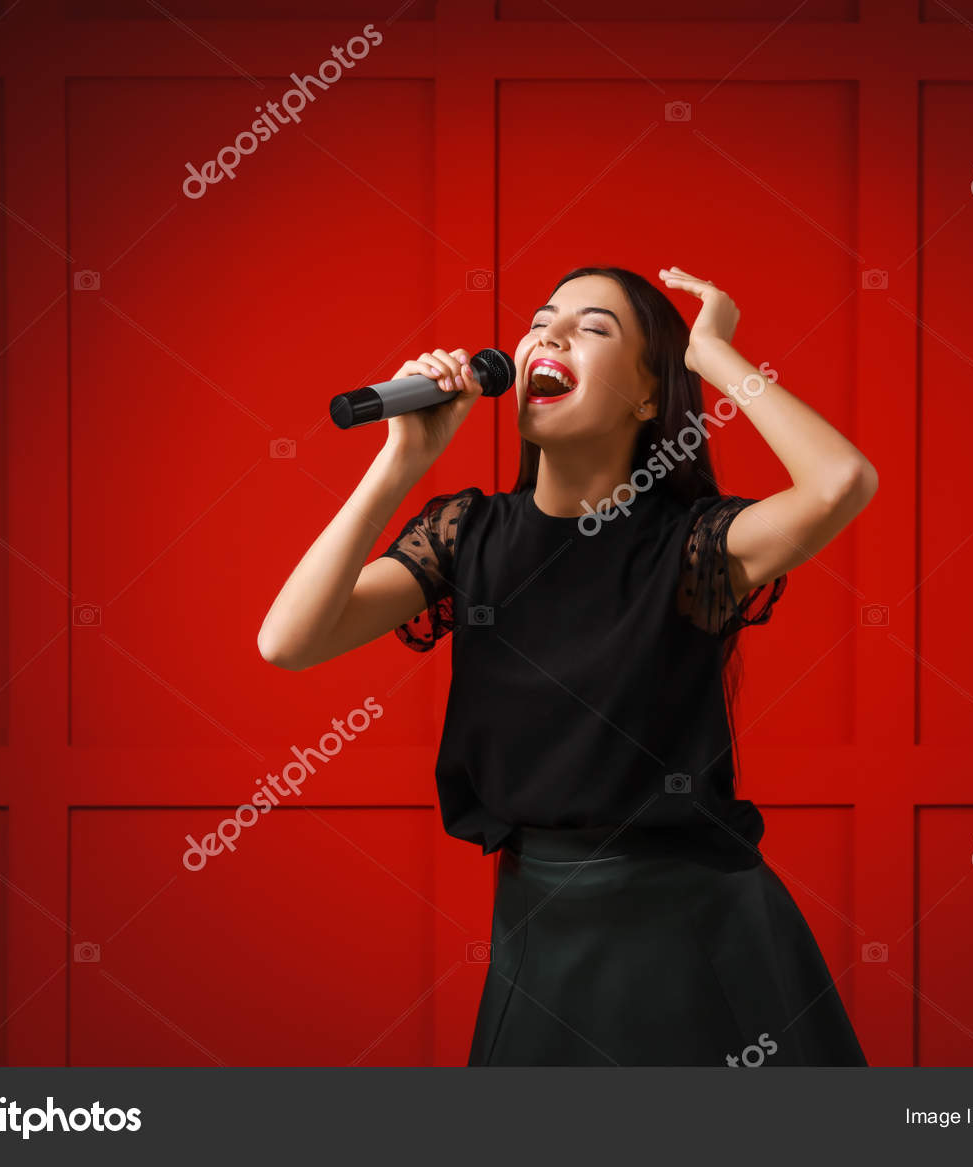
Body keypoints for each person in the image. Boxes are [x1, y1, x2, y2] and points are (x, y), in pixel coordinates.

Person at [258, 264, 879, 1066]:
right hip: (540, 934)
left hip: (699, 934)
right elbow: (289, 640)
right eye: (540, 321)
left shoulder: (693, 545)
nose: (547, 335)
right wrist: (401, 461)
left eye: (592, 327)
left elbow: (841, 481)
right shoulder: (469, 533)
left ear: (649, 397)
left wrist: (711, 354)